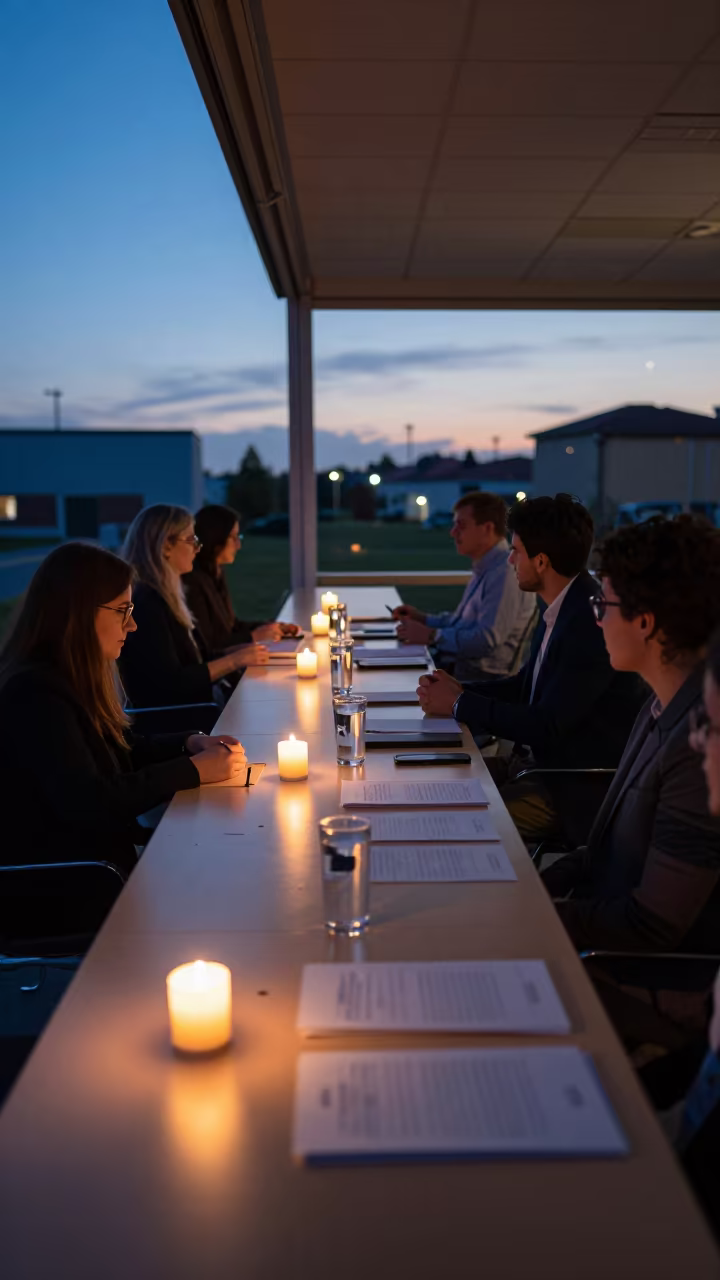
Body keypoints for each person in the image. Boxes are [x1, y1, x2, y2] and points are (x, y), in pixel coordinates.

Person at [0, 542, 248, 876]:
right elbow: (91, 802)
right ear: (80, 611)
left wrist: (189, 743)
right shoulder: (35, 694)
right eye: (123, 611)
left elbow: (115, 751)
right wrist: (194, 771)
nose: (131, 626)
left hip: (101, 864)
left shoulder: (65, 675)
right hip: (76, 881)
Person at [541, 514, 720, 954]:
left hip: (648, 984)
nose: (597, 619)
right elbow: (603, 855)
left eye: (604, 605)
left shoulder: (702, 749)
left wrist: (525, 918)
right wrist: (534, 886)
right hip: (601, 941)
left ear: (646, 622)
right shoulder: (659, 705)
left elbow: (652, 928)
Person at [418, 494, 643, 837]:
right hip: (536, 768)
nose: (509, 560)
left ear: (540, 562)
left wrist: (460, 703)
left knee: (456, 820)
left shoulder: (588, 624)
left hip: (571, 789)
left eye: (516, 551)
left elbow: (545, 724)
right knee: (433, 784)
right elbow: (528, 685)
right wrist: (457, 691)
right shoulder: (566, 604)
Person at [119, 504, 268, 708]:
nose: (198, 548)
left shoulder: (170, 593)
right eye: (191, 540)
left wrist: (244, 651)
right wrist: (234, 661)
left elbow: (197, 659)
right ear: (165, 546)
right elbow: (171, 683)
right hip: (185, 721)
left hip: (200, 708)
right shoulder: (148, 603)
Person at [391, 491, 537, 680]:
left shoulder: (505, 573)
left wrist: (432, 635)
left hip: (480, 681)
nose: (453, 533)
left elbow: (486, 641)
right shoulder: (488, 567)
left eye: (461, 526)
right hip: (459, 670)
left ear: (487, 529)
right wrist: (423, 619)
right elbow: (462, 624)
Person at [183, 504, 299, 655]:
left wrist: (269, 627)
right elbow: (209, 645)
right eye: (234, 537)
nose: (238, 545)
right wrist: (253, 637)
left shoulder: (215, 572)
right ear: (216, 539)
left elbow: (231, 627)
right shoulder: (193, 583)